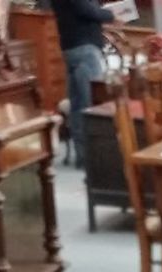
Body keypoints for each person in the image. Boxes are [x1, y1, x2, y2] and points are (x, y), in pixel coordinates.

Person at [51, 0, 115, 168]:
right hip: (84, 48)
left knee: (78, 104)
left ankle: (83, 156)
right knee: (92, 104)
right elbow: (86, 10)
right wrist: (112, 15)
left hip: (71, 46)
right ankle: (93, 158)